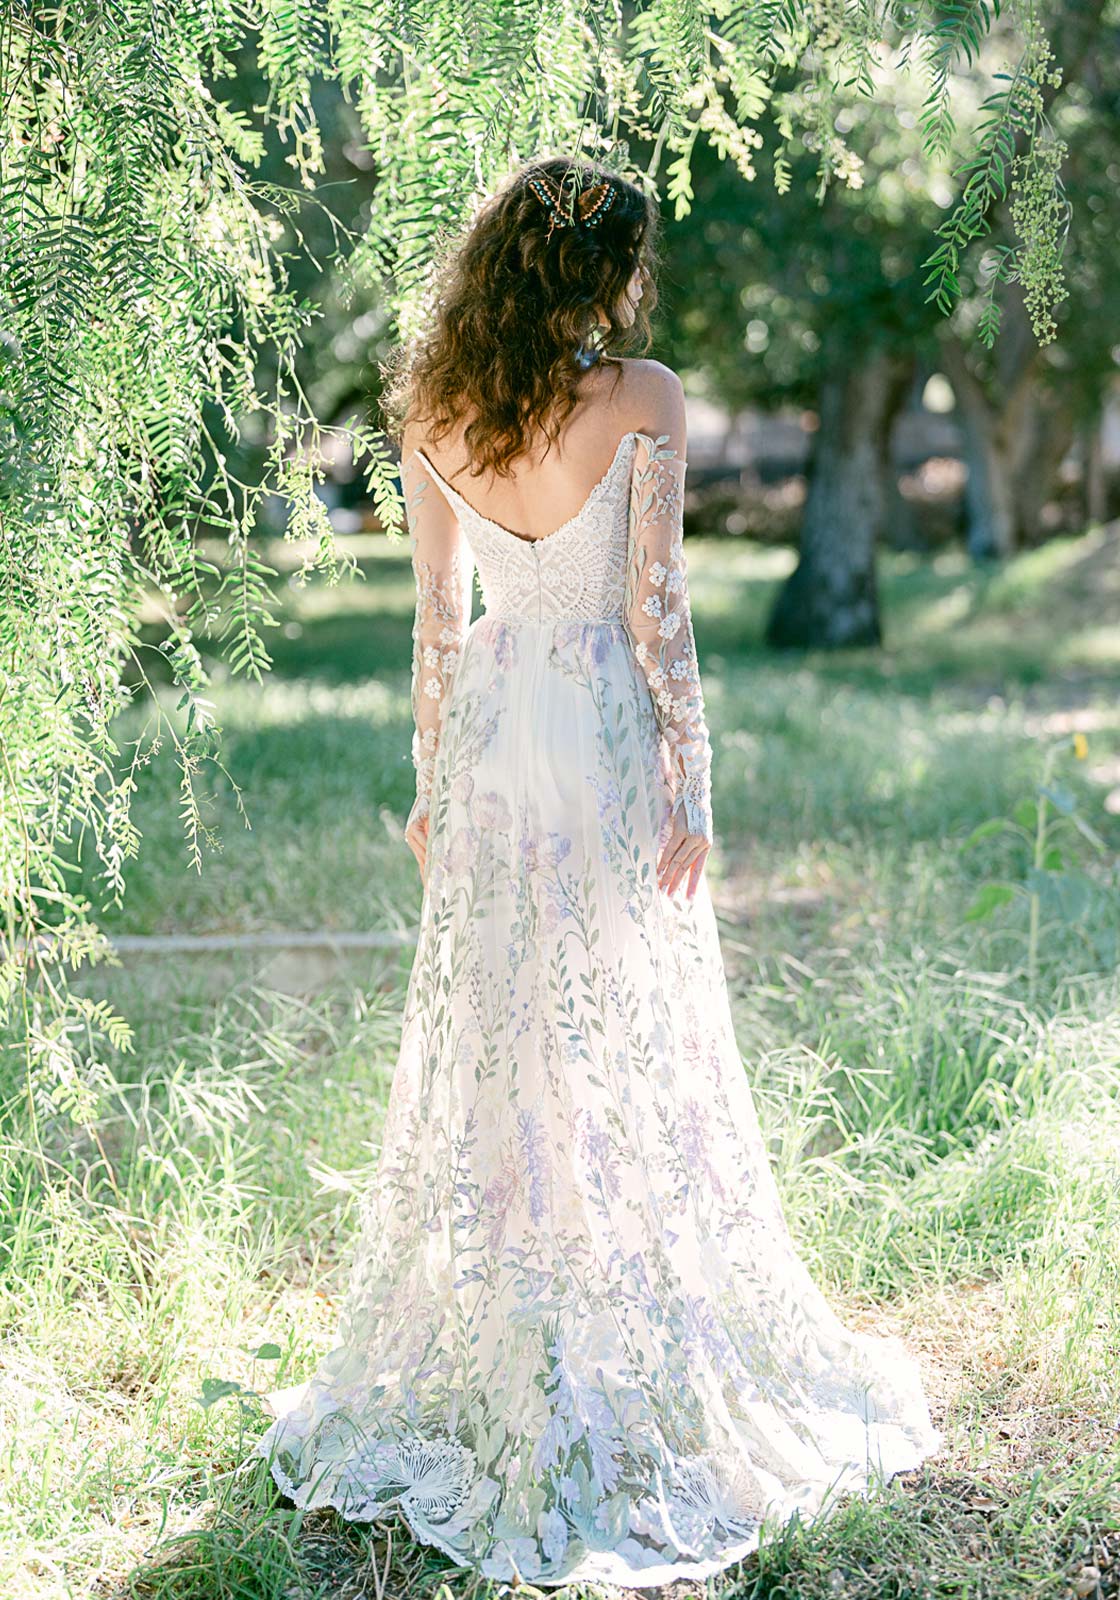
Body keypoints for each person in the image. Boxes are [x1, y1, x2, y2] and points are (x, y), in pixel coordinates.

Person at [253, 155, 942, 1589]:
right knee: (623, 1017)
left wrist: (433, 795)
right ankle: (627, 1304)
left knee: (509, 1029)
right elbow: (658, 611)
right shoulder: (646, 398)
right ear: (603, 270)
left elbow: (436, 627)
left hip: (502, 735)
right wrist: (691, 780)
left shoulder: (429, 400)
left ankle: (523, 1310)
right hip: (606, 733)